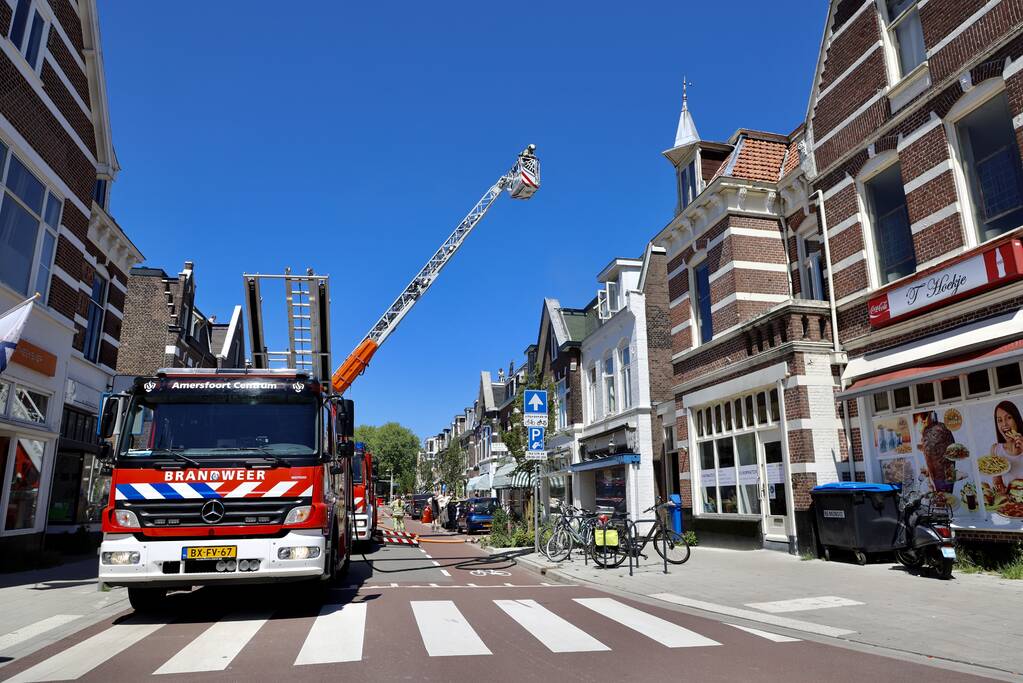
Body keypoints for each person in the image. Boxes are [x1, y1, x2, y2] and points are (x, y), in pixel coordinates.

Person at [991, 400, 1023, 492]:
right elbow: (997, 484)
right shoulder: (995, 450)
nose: (1004, 424)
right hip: (1010, 504)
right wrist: (1002, 492)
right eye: (999, 420)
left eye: (1008, 417)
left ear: (1016, 419)